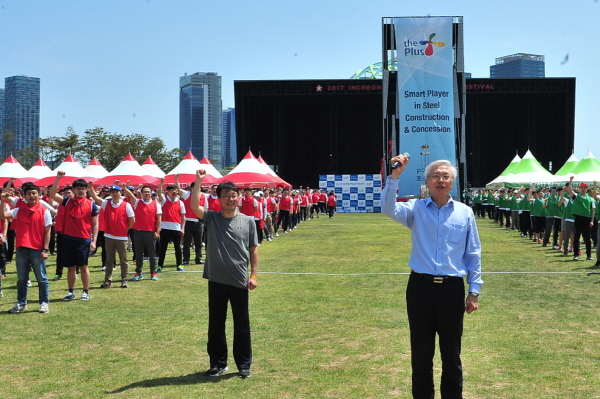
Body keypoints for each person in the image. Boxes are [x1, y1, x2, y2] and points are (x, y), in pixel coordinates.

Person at [381, 155, 483, 399]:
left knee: (452, 353)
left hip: (452, 290)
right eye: (435, 175)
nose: (441, 180)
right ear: (426, 181)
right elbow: (387, 208)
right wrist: (395, 176)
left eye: (445, 176)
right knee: (421, 352)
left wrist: (474, 290)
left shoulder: (465, 213)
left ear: (452, 182)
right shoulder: (416, 209)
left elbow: (473, 253)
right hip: (420, 288)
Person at [190, 170, 258, 379]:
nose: (230, 198)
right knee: (216, 324)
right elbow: (194, 206)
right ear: (218, 199)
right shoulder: (212, 218)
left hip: (239, 280)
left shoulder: (248, 221)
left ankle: (243, 364)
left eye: (233, 195)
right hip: (216, 280)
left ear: (239, 197)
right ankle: (218, 364)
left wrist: (253, 275)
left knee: (242, 325)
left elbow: (253, 248)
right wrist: (199, 182)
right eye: (226, 195)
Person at [1, 185, 52, 313]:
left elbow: (48, 232)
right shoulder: (19, 210)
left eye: (34, 193)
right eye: (29, 193)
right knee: (22, 279)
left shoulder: (44, 211)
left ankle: (44, 303)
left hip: (37, 249)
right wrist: (3, 201)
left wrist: (45, 250)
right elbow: (3, 216)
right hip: (22, 249)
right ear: (24, 196)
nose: (32, 196)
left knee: (42, 278)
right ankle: (21, 303)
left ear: (39, 194)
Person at [49, 172, 99, 301]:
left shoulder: (91, 204)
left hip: (83, 239)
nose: (81, 191)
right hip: (68, 238)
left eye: (83, 189)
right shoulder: (67, 201)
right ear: (73, 190)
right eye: (78, 188)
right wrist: (58, 178)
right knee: (70, 267)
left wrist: (94, 241)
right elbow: (52, 194)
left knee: (83, 267)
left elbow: (95, 224)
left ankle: (85, 291)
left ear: (86, 189)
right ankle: (71, 291)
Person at [88, 183, 135, 288]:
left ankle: (124, 280)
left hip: (121, 236)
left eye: (116, 192)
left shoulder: (126, 205)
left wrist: (126, 228)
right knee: (109, 260)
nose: (114, 194)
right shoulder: (106, 203)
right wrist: (91, 187)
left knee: (124, 260)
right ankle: (108, 280)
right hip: (109, 236)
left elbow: (132, 219)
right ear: (110, 193)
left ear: (120, 193)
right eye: (112, 192)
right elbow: (95, 197)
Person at [122, 184, 162, 281]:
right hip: (138, 232)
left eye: (148, 192)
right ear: (141, 193)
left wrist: (158, 231)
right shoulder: (137, 202)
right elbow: (131, 195)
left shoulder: (156, 203)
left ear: (151, 193)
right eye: (145, 192)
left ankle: (153, 272)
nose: (147, 193)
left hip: (150, 232)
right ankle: (138, 272)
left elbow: (159, 218)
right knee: (139, 254)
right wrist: (124, 188)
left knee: (152, 254)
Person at [156, 178, 186, 271]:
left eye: (176, 190)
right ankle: (160, 265)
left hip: (176, 227)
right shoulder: (164, 200)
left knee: (177, 248)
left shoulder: (180, 202)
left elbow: (183, 216)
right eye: (172, 190)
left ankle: (179, 265)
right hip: (165, 227)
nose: (175, 192)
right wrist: (161, 184)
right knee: (163, 248)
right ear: (167, 192)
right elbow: (158, 194)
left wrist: (182, 228)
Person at [566, 176, 595, 261]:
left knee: (587, 239)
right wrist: (571, 180)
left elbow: (593, 210)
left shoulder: (591, 199)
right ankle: (576, 255)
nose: (583, 189)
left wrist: (592, 221)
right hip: (578, 219)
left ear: (587, 189)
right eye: (581, 187)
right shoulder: (576, 196)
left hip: (587, 219)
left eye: (584, 188)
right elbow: (569, 190)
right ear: (579, 188)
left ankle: (589, 255)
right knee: (576, 237)